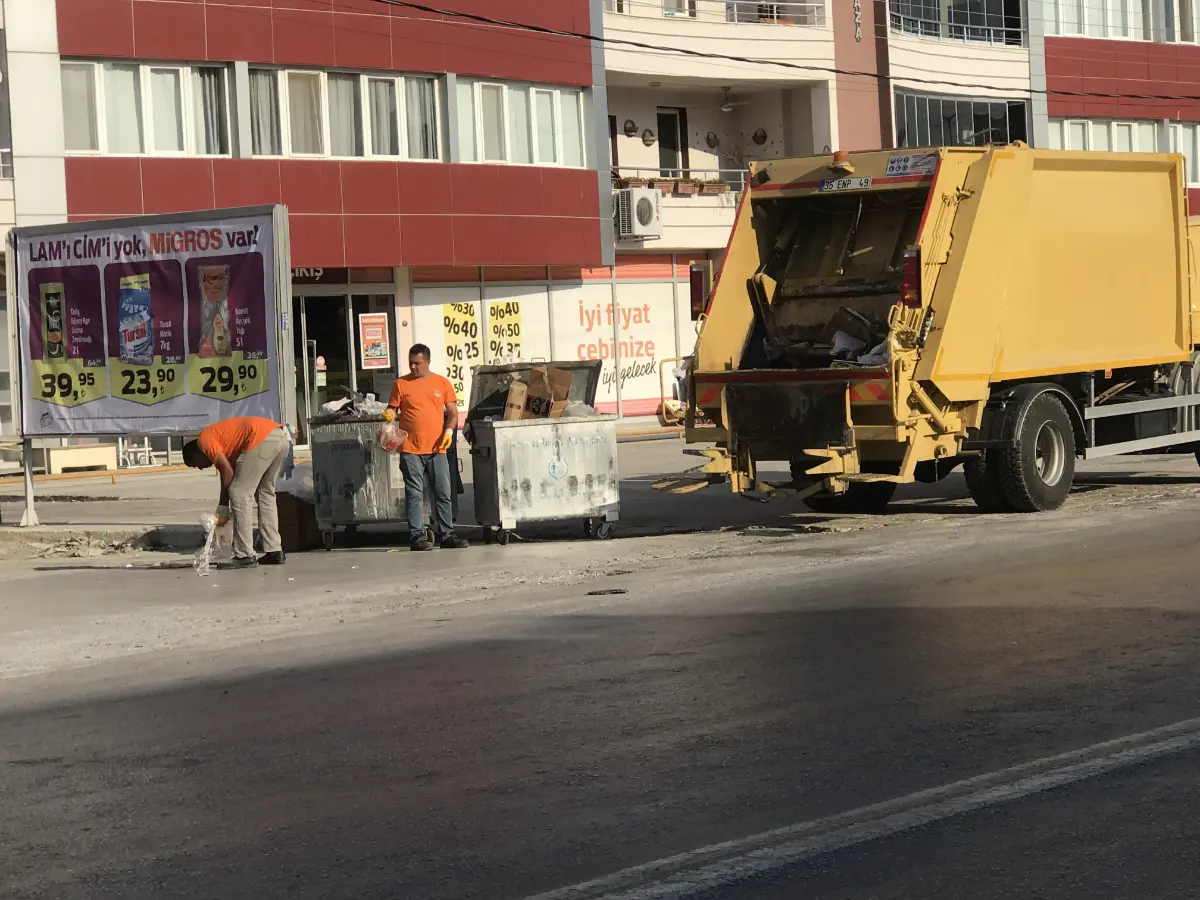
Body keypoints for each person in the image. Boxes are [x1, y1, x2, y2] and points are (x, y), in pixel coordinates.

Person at [386, 345, 469, 551]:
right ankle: (416, 536)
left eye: (418, 363)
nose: (413, 367)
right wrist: (389, 413)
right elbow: (392, 408)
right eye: (411, 363)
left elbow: (452, 412)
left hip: (437, 448)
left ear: (428, 362)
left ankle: (447, 534)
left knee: (442, 491)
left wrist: (449, 432)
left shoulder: (441, 383)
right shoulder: (401, 384)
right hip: (410, 449)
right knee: (414, 492)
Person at [183, 416, 291, 569]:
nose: (200, 468)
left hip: (260, 438)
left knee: (240, 493)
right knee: (265, 493)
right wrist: (224, 507)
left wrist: (222, 506)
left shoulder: (204, 441)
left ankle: (244, 554)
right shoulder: (224, 442)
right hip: (279, 437)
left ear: (197, 452)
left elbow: (227, 473)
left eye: (195, 464)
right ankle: (274, 550)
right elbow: (227, 473)